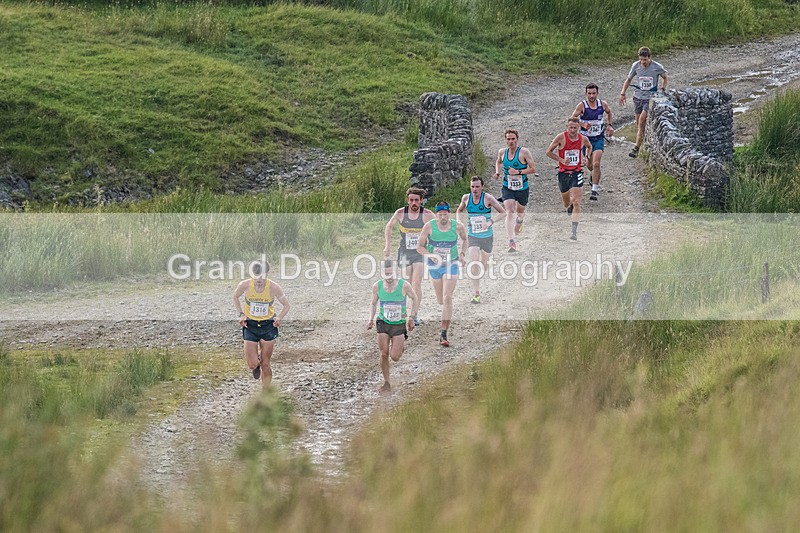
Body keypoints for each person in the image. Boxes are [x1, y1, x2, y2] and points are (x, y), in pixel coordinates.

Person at [416, 201, 468, 347]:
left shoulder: (458, 226)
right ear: (436, 214)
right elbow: (420, 246)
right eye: (440, 214)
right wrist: (429, 255)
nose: (442, 217)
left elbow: (465, 240)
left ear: (448, 214)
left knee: (447, 297)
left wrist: (462, 254)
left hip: (451, 264)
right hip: (435, 266)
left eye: (445, 214)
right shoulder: (429, 227)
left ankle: (443, 333)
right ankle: (445, 311)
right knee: (440, 300)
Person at [233, 260, 290, 387]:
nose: (258, 279)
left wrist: (279, 317)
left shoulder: (274, 287)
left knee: (266, 363)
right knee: (253, 364)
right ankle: (256, 364)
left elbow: (286, 305)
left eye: (262, 276)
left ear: (267, 273)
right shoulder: (245, 285)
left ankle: (266, 393)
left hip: (268, 326)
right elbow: (235, 296)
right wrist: (241, 314)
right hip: (250, 326)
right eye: (256, 275)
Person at [383, 187, 434, 326]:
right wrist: (387, 245)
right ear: (408, 200)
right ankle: (404, 310)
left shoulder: (427, 215)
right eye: (411, 200)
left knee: (416, 283)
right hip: (405, 252)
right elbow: (389, 226)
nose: (414, 203)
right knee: (406, 282)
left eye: (416, 200)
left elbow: (437, 230)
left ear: (421, 201)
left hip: (420, 253)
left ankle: (414, 314)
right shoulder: (400, 213)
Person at [368, 260, 420, 393]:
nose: (389, 276)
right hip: (383, 322)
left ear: (395, 272)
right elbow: (373, 304)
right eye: (386, 273)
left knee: (395, 357)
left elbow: (415, 298)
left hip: (398, 324)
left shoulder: (404, 285)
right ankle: (387, 382)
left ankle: (399, 347)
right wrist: (371, 319)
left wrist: (412, 317)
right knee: (384, 353)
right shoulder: (377, 286)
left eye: (391, 273)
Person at [455, 176, 505, 304]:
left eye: (477, 186)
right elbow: (459, 210)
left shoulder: (488, 198)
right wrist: (458, 220)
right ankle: (476, 293)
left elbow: (503, 212)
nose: (475, 189)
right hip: (473, 236)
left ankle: (487, 263)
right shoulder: (466, 198)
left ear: (482, 187)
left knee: (483, 265)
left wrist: (490, 222)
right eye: (472, 186)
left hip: (487, 237)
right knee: (475, 264)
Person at [546, 118, 593, 241]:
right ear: (567, 127)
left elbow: (589, 147)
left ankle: (574, 231)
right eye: (570, 127)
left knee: (577, 201)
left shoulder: (583, 138)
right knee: (567, 203)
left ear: (579, 127)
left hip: (577, 172)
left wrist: (586, 157)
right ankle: (569, 206)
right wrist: (561, 160)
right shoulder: (561, 138)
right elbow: (548, 152)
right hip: (563, 173)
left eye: (575, 128)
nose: (573, 130)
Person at [619, 46, 668, 158]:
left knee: (641, 121)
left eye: (645, 60)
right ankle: (645, 143)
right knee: (639, 124)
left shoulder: (657, 67)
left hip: (649, 99)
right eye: (641, 59)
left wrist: (662, 89)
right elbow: (629, 79)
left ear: (650, 57)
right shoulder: (635, 66)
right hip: (637, 97)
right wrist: (623, 93)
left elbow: (665, 77)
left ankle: (636, 148)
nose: (643, 62)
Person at [493, 128, 536, 253]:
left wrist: (518, 172)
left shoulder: (524, 152)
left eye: (513, 139)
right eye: (508, 139)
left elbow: (533, 169)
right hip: (508, 187)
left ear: (517, 139)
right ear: (505, 140)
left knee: (520, 211)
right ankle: (511, 241)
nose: (511, 141)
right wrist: (497, 172)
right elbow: (498, 161)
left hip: (522, 187)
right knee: (510, 211)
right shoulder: (502, 152)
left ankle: (520, 221)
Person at [572, 83, 615, 201]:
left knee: (596, 164)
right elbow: (572, 119)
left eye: (593, 93)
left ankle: (594, 190)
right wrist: (582, 124)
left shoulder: (602, 104)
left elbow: (609, 112)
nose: (591, 96)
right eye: (589, 93)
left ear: (597, 93)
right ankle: (593, 176)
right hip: (585, 140)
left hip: (598, 139)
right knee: (589, 165)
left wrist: (610, 125)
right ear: (586, 94)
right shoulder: (582, 106)